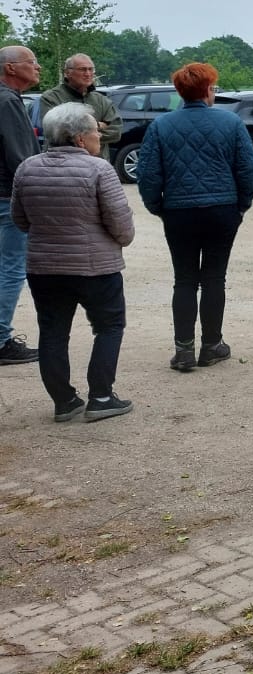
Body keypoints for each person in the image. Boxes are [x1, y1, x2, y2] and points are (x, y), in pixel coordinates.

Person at [9, 103, 135, 421]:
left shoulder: (26, 168)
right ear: (80, 139)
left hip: (44, 268)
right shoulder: (99, 170)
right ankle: (102, 397)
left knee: (52, 332)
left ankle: (64, 401)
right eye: (95, 131)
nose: (99, 136)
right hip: (95, 268)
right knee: (109, 327)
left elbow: (20, 220)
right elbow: (122, 226)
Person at [137, 62, 253, 371]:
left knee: (185, 278)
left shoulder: (161, 126)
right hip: (222, 209)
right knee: (215, 277)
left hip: (179, 211)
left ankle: (183, 349)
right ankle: (212, 344)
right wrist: (241, 205)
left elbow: (148, 175)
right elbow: (248, 171)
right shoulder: (231, 123)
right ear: (208, 90)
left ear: (179, 91)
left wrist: (158, 207)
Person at [0, 45, 43, 366]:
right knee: (12, 268)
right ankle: (1, 340)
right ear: (11, 68)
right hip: (6, 197)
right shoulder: (8, 101)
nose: (38, 67)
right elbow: (20, 158)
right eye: (32, 63)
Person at [37, 53, 121, 160]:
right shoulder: (51, 97)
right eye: (82, 69)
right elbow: (55, 134)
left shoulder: (101, 100)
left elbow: (116, 132)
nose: (88, 73)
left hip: (97, 165)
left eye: (91, 69)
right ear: (67, 73)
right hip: (62, 165)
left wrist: (78, 133)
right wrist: (97, 126)